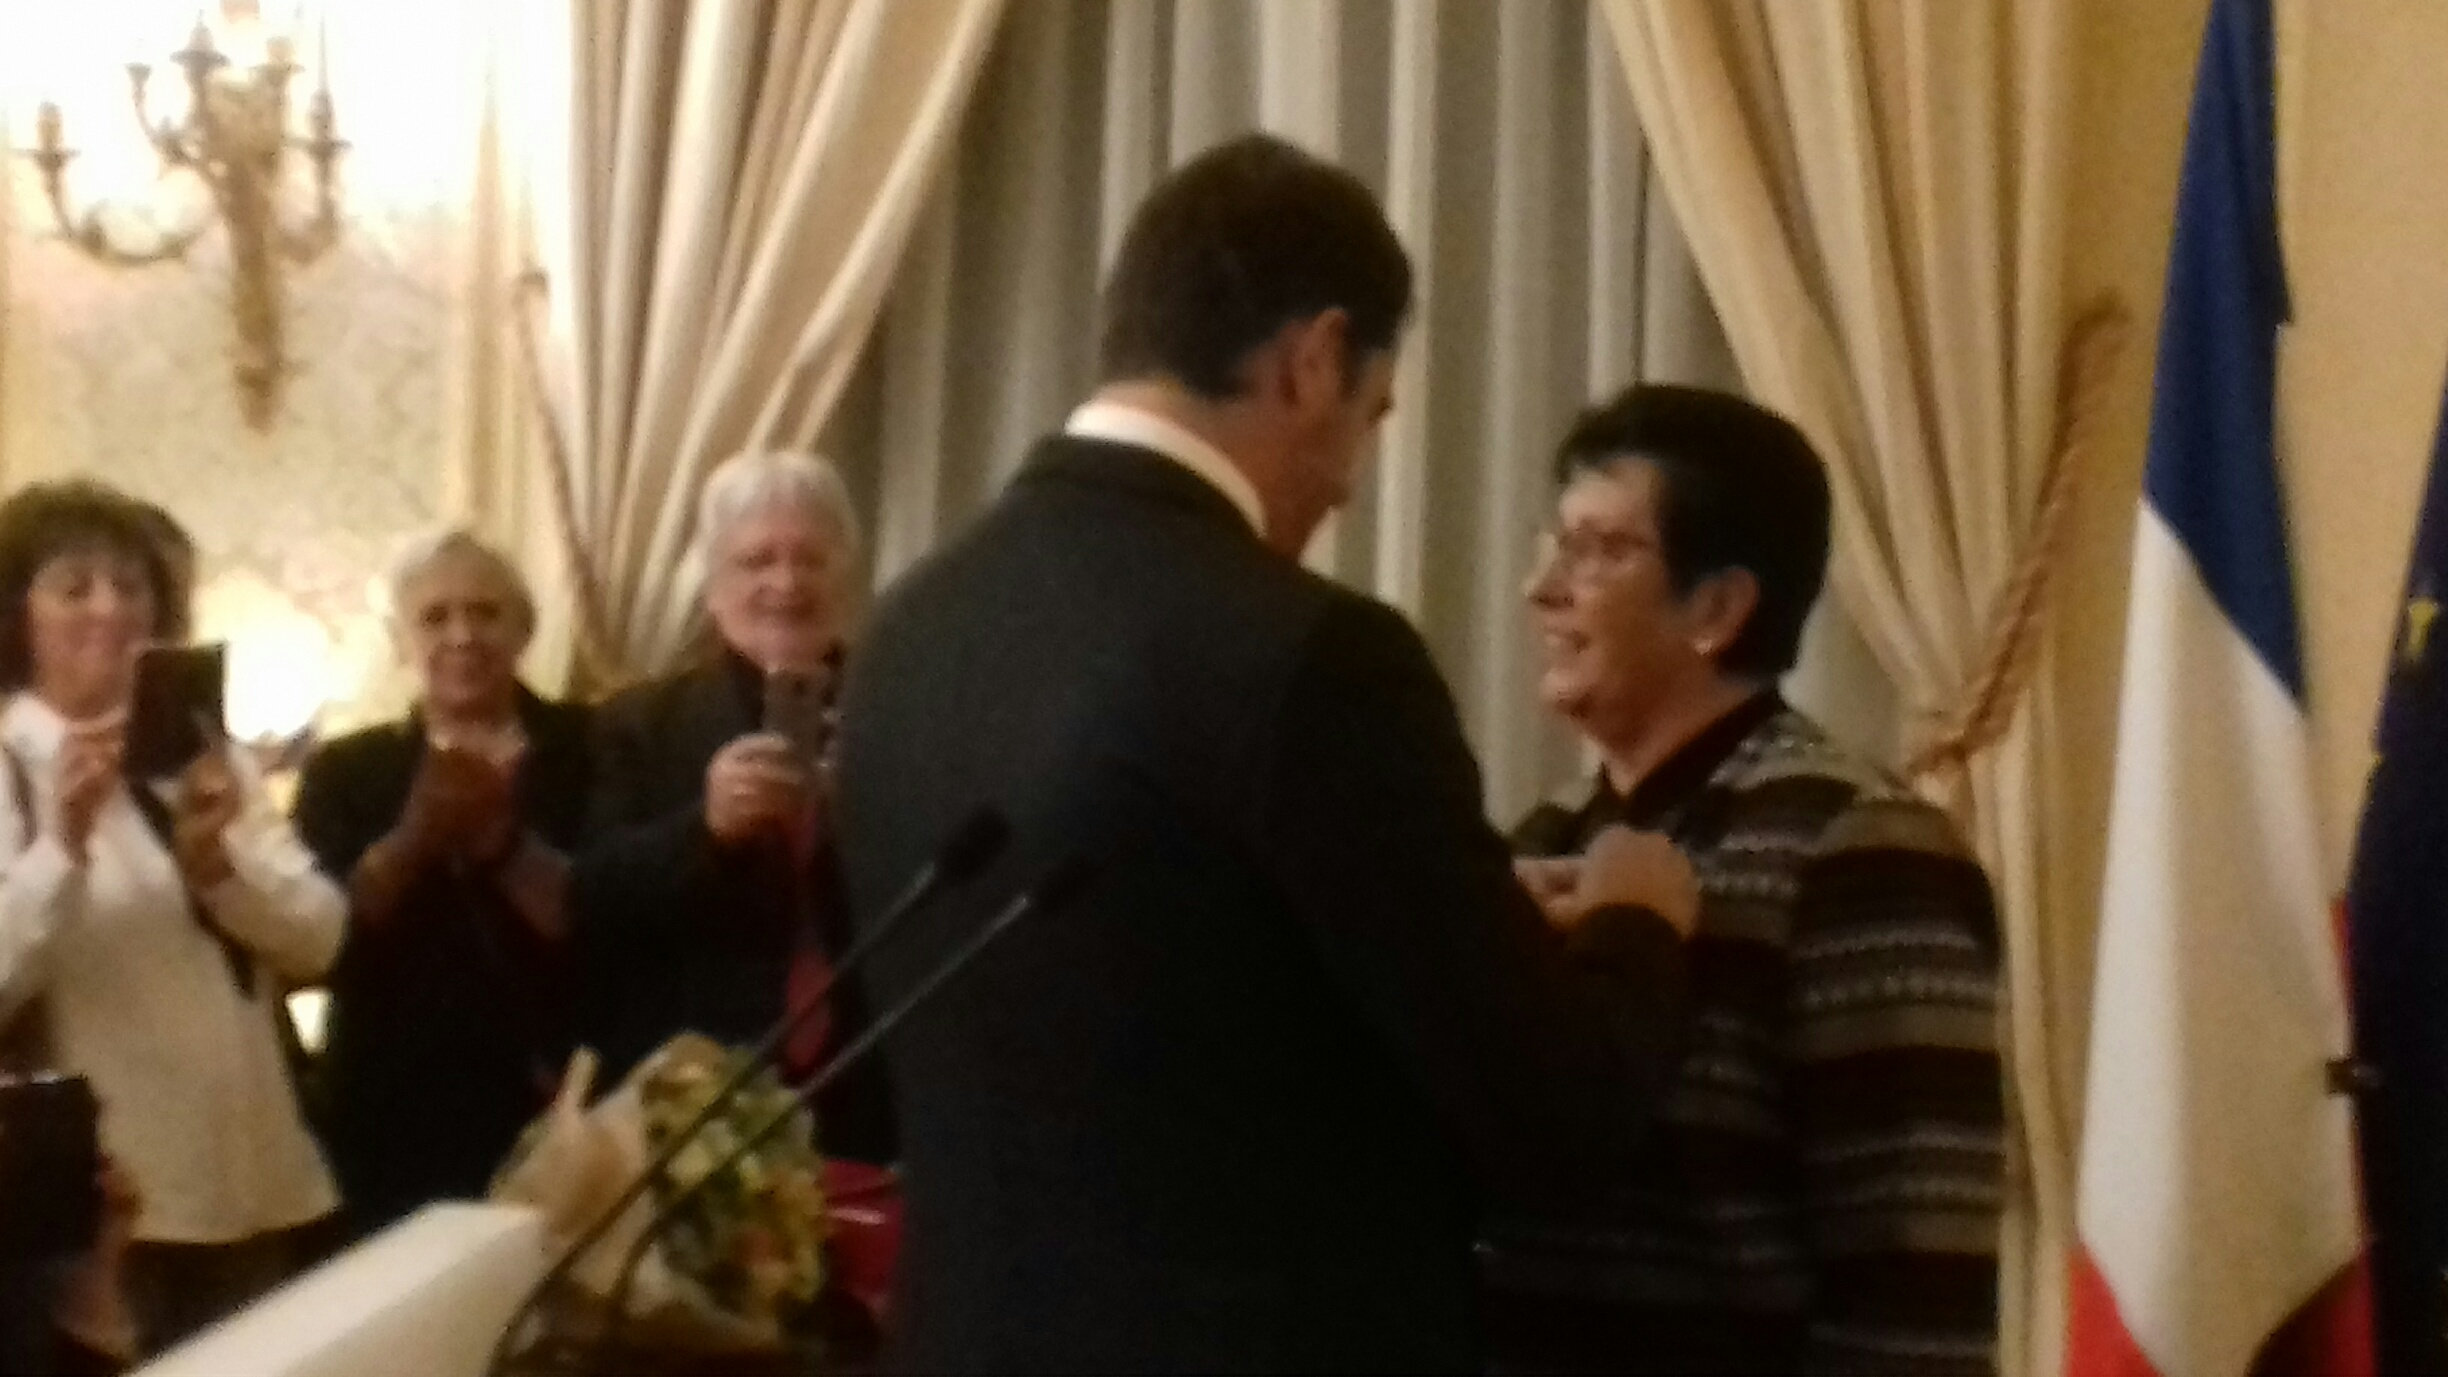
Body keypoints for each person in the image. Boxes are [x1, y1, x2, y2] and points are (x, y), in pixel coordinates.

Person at [833, 133, 1698, 1374]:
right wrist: (1635, 924)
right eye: (1372, 415)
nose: (1348, 485)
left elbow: (1127, 973)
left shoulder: (910, 624)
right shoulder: (1313, 655)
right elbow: (1554, 1121)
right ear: (1314, 359)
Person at [1487, 384, 2005, 1375]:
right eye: (1554, 544)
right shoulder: (1544, 837)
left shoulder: (1859, 844)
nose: (1541, 588)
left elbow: (1913, 1281)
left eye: (1599, 550)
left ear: (1717, 608)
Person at [0, 481, 344, 1353]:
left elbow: (322, 935)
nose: (109, 609)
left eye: (131, 585)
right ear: (18, 616)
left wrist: (219, 872)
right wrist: (60, 849)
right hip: (99, 1208)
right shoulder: (5, 765)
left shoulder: (200, 750)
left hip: (252, 1176)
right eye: (74, 587)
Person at [571, 451, 894, 1166]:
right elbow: (589, 900)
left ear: (846, 581)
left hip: (871, 1083)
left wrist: (868, 813)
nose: (786, 582)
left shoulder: (902, 711)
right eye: (757, 561)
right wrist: (704, 829)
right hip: (693, 1101)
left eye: (810, 559)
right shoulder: (640, 723)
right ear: (714, 588)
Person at [292, 531, 591, 1240]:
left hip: (557, 1095)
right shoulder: (346, 770)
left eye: (485, 612)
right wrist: (411, 839)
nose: (462, 635)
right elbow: (319, 940)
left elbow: (609, 914)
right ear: (401, 640)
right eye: (435, 617)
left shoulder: (589, 744)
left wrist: (502, 843)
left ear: (524, 629)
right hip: (391, 1111)